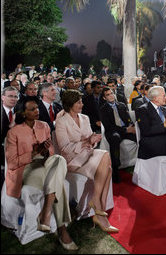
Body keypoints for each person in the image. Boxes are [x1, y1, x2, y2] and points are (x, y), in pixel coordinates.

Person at [5, 96, 78, 250]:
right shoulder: (14, 132)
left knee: (58, 159)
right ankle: (61, 229)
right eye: (32, 109)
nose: (37, 111)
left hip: (46, 164)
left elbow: (51, 153)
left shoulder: (44, 126)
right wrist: (33, 153)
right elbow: (11, 162)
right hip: (25, 169)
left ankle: (45, 212)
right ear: (23, 113)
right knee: (58, 183)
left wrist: (46, 150)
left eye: (37, 108)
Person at [55, 90, 119, 233]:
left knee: (106, 161)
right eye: (79, 102)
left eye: (81, 101)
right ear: (70, 104)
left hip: (88, 154)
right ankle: (99, 208)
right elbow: (64, 148)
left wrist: (93, 140)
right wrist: (85, 142)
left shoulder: (84, 118)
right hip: (72, 159)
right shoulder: (61, 121)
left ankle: (98, 206)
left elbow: (90, 139)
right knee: (106, 163)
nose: (82, 104)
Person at [100, 87, 137, 183]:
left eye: (111, 93)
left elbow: (128, 119)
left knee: (139, 136)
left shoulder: (121, 105)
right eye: (107, 95)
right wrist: (126, 130)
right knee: (115, 138)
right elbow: (109, 126)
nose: (111, 95)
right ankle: (115, 169)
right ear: (104, 98)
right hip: (113, 131)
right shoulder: (103, 109)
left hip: (125, 130)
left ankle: (141, 163)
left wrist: (132, 127)